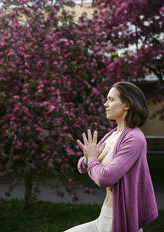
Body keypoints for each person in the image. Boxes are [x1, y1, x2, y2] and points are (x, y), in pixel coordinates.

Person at [64, 81, 158, 232]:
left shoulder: (134, 138)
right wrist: (89, 158)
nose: (105, 104)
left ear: (127, 104)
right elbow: (82, 164)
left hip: (120, 221)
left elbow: (105, 178)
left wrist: (92, 159)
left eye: (111, 99)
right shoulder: (112, 134)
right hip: (105, 217)